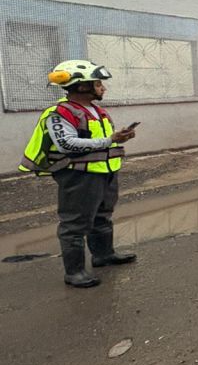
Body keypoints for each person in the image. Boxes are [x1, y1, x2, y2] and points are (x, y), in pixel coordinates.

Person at [18, 60, 138, 288]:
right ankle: (74, 273)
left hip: (104, 172)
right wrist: (110, 140)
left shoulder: (95, 110)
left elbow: (98, 140)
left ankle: (103, 255)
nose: (103, 88)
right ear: (82, 87)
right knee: (74, 224)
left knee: (102, 216)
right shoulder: (59, 113)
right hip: (78, 175)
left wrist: (119, 137)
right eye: (98, 84)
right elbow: (67, 144)